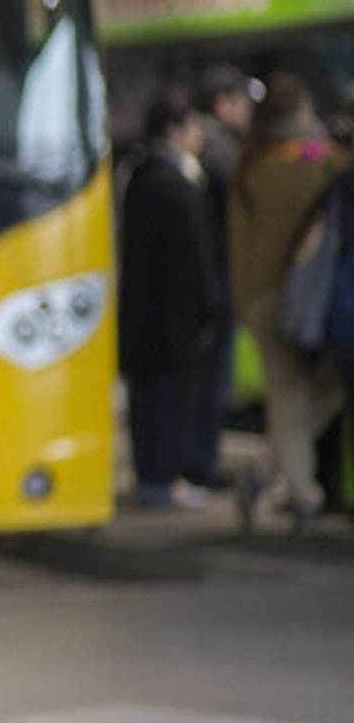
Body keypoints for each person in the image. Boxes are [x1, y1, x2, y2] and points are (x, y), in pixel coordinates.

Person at [229, 72, 346, 535]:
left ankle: (264, 471)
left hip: (262, 295)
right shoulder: (320, 160)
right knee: (319, 389)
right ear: (302, 110)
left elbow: (238, 244)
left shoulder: (250, 165)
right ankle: (302, 494)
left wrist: (244, 300)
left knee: (287, 395)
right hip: (313, 296)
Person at [118, 91, 222, 509]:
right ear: (174, 130)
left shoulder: (138, 175)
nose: (198, 136)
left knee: (146, 399)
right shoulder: (177, 185)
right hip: (174, 315)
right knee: (173, 399)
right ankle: (166, 480)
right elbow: (197, 257)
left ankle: (151, 477)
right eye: (194, 127)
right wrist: (207, 311)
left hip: (141, 310)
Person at [188, 64, 253, 488]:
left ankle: (200, 460)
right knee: (211, 379)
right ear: (223, 104)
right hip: (214, 281)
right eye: (244, 101)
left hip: (209, 279)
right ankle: (202, 463)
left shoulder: (208, 147)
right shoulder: (219, 148)